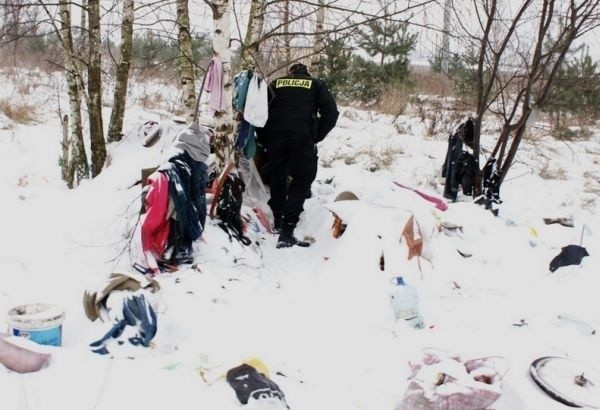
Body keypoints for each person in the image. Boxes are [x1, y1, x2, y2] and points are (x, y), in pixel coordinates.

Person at [259, 62, 339, 248]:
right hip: (302, 139)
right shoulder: (315, 84)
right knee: (302, 179)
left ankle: (278, 219)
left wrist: (264, 137)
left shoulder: (276, 83)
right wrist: (317, 135)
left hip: (276, 137)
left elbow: (260, 112)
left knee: (277, 175)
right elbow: (332, 113)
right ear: (306, 74)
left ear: (290, 74)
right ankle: (287, 230)